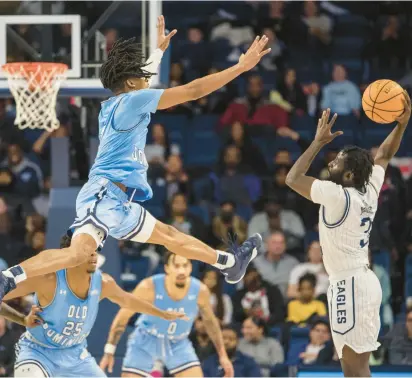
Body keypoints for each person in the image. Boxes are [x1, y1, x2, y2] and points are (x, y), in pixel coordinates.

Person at [0, 16, 269, 301]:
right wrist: (240, 67)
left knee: (168, 236)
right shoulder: (132, 101)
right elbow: (192, 91)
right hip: (105, 193)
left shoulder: (119, 102)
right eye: (143, 76)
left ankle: (230, 263)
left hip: (120, 202)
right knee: (77, 253)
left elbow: (139, 82)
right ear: (131, 81)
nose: (148, 79)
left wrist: (158, 52)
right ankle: (8, 278)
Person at [284, 92, 411, 377]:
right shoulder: (370, 189)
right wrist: (401, 125)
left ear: (350, 175)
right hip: (359, 282)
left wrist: (317, 143)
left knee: (355, 371)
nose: (331, 163)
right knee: (353, 370)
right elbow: (385, 155)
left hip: (350, 286)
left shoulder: (337, 195)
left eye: (338, 161)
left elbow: (292, 179)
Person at [4, 236, 186, 378]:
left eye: (95, 249)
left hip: (75, 355)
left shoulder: (103, 282)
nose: (94, 253)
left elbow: (128, 300)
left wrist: (161, 313)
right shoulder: (48, 280)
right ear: (69, 256)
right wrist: (21, 319)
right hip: (38, 351)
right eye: (86, 249)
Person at [100, 253, 234, 377]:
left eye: (185, 265)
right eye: (176, 265)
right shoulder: (149, 287)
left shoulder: (200, 290)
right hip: (145, 341)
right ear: (167, 268)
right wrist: (109, 350)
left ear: (190, 267)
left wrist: (222, 355)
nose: (181, 270)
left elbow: (211, 322)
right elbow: (122, 317)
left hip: (178, 343)